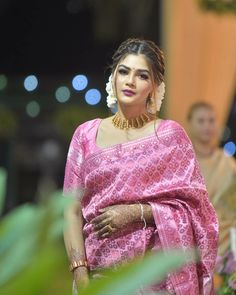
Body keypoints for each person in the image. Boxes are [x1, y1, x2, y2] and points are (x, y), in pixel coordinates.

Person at [63, 38, 218, 295]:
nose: (130, 81)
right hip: (99, 276)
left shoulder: (170, 136)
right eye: (123, 71)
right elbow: (70, 210)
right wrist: (81, 275)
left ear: (154, 86)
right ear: (113, 76)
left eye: (142, 75)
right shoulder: (86, 135)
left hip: (157, 279)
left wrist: (137, 212)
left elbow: (197, 209)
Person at [187, 102, 236, 256]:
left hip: (226, 244)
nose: (207, 126)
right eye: (201, 121)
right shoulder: (184, 163)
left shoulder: (227, 162)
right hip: (191, 244)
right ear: (189, 124)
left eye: (211, 120)